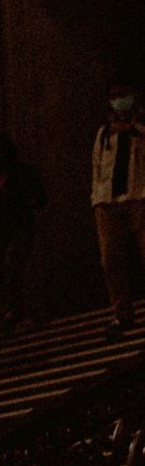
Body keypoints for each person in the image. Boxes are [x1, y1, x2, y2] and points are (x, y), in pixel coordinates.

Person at [90, 82, 145, 335]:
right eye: (115, 98)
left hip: (138, 196)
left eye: (123, 97)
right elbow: (97, 168)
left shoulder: (140, 129)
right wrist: (97, 199)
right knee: (110, 259)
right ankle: (122, 313)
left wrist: (133, 127)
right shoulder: (104, 134)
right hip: (108, 201)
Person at [0, 133, 45, 335]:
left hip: (19, 227)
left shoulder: (23, 173)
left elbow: (40, 197)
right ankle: (13, 310)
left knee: (13, 267)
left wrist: (29, 203)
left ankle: (18, 311)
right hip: (0, 232)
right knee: (0, 272)